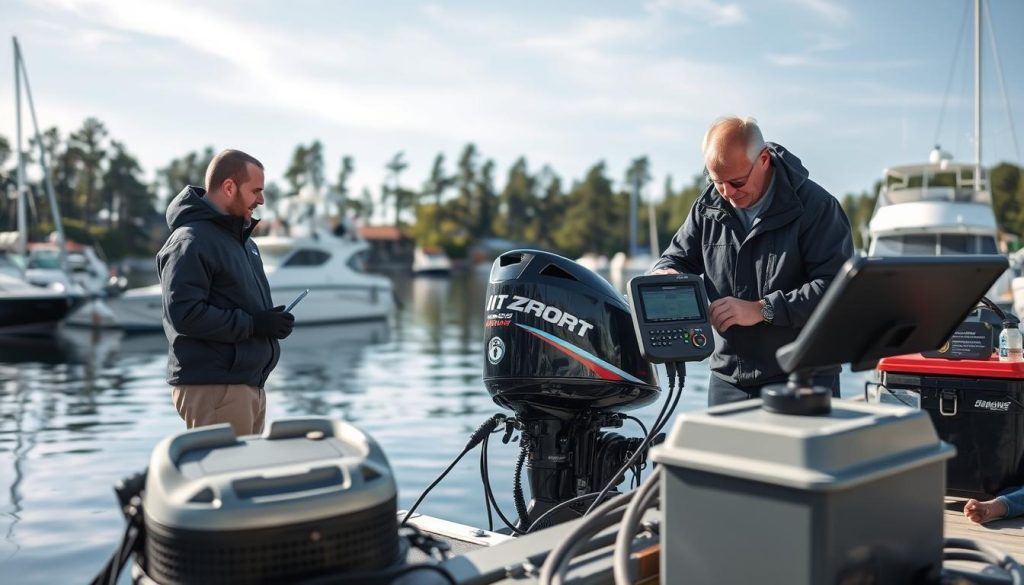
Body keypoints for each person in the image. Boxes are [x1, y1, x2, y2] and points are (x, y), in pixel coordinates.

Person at [652, 116, 854, 406]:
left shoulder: (817, 207)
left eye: (736, 182)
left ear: (763, 159)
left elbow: (837, 288)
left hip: (801, 378)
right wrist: (665, 272)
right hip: (728, 378)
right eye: (717, 181)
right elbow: (677, 257)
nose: (728, 194)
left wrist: (763, 309)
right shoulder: (708, 205)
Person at [157, 149, 295, 436]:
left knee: (245, 477)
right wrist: (254, 324)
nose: (262, 200)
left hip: (244, 386)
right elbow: (186, 314)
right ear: (229, 187)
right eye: (255, 191)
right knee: (228, 477)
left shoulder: (242, 242)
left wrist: (268, 323)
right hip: (217, 388)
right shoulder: (191, 240)